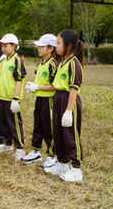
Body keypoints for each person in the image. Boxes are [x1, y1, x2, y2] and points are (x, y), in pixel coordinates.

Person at [44, 29, 84, 182]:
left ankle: (76, 168)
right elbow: (57, 86)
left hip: (68, 100)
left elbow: (74, 88)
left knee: (70, 135)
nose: (56, 47)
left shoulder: (74, 63)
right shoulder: (62, 62)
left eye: (58, 43)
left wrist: (68, 110)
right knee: (58, 133)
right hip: (58, 98)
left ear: (69, 46)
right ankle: (62, 163)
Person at [22, 34, 58, 168]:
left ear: (50, 48)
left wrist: (37, 87)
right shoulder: (40, 64)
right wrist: (34, 87)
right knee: (38, 125)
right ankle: (35, 151)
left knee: (49, 127)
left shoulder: (53, 65)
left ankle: (52, 155)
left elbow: (55, 86)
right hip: (39, 99)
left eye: (41, 46)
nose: (38, 49)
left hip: (49, 100)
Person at [0, 34, 26, 161]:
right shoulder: (2, 61)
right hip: (2, 98)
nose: (3, 48)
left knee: (14, 123)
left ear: (14, 46)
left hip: (12, 99)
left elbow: (19, 80)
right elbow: (0, 80)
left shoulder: (17, 60)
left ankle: (20, 148)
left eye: (6, 46)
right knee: (3, 122)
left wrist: (15, 98)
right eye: (2, 46)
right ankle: (8, 145)